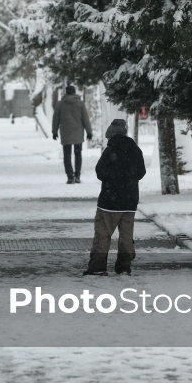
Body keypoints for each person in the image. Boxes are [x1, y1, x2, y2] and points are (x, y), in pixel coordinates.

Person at [84, 118, 147, 276]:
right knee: (126, 235)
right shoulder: (135, 149)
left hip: (109, 201)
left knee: (103, 233)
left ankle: (98, 267)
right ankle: (124, 266)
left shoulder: (110, 151)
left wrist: (114, 178)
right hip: (130, 201)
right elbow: (141, 172)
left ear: (111, 136)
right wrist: (128, 179)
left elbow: (100, 172)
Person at [52, 84, 93, 184]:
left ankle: (70, 176)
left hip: (65, 132)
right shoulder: (80, 103)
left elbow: (55, 119)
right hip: (78, 132)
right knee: (78, 154)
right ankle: (77, 175)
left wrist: (54, 131)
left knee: (67, 155)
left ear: (66, 92)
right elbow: (85, 119)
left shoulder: (60, 104)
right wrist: (89, 132)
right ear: (74, 92)